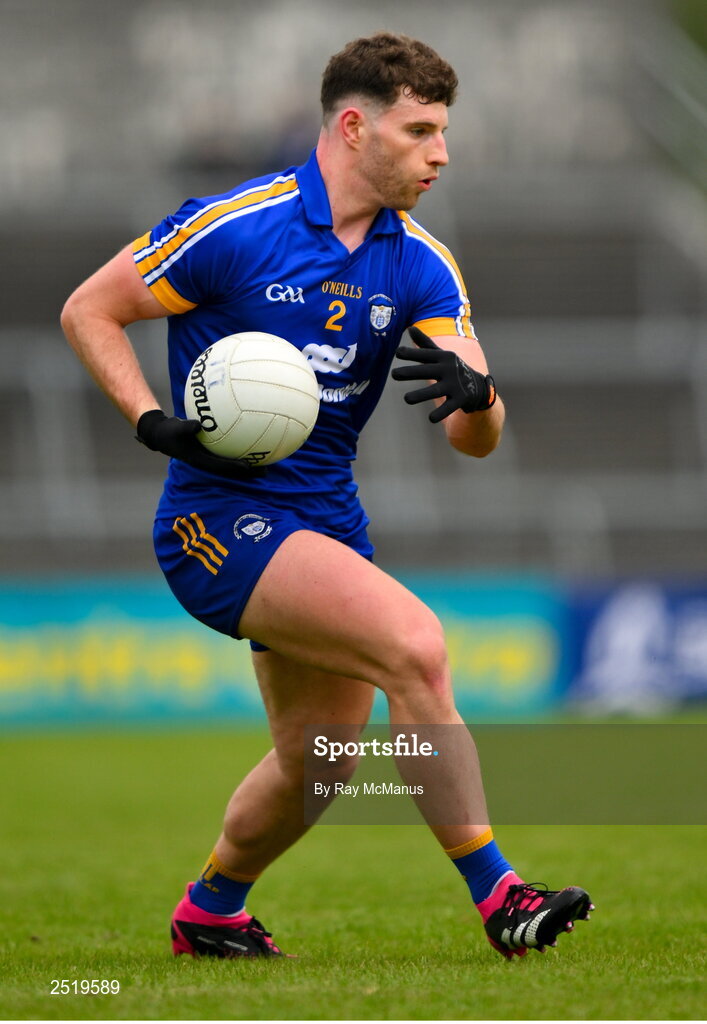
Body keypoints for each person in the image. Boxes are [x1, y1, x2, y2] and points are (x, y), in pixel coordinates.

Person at [61, 32, 593, 961]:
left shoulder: (422, 263)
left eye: (442, 132)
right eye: (420, 130)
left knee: (321, 762)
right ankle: (501, 895)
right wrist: (148, 417)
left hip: (327, 524)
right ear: (354, 127)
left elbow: (474, 440)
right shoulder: (235, 225)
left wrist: (482, 400)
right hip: (215, 522)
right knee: (417, 649)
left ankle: (211, 910)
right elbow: (89, 309)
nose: (441, 154)